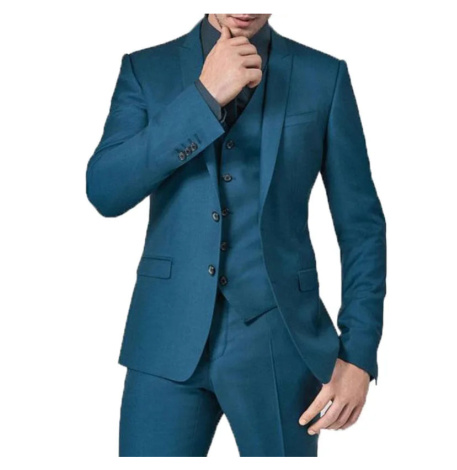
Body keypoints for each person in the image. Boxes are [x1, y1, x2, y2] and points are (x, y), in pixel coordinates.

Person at [85, 13, 387, 457]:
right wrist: (203, 98)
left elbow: (362, 226)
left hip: (280, 339)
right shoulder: (146, 70)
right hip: (164, 339)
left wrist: (359, 354)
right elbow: (105, 191)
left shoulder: (324, 76)